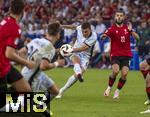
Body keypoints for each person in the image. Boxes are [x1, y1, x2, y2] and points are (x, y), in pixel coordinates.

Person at [19, 22, 64, 116]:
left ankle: (39, 107)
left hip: (32, 72)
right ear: (58, 35)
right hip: (32, 77)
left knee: (55, 91)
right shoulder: (50, 47)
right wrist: (57, 63)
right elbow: (43, 66)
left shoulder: (36, 40)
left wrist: (25, 66)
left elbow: (21, 53)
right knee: (24, 108)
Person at [0, 0, 34, 109]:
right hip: (1, 67)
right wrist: (26, 62)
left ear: (10, 9)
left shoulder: (4, 21)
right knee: (3, 104)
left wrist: (19, 56)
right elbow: (9, 54)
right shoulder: (15, 27)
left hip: (5, 64)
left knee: (25, 89)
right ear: (22, 12)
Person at [101, 10, 140, 99]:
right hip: (115, 54)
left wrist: (131, 31)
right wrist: (103, 36)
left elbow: (138, 38)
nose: (119, 17)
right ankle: (109, 88)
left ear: (123, 17)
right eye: (117, 15)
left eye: (121, 15)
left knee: (124, 74)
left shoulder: (127, 28)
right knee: (115, 71)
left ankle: (117, 91)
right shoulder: (112, 29)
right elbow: (104, 35)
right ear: (115, 17)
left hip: (126, 54)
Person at [56, 22, 97, 98]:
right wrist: (62, 26)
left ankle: (62, 89)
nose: (84, 33)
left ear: (90, 30)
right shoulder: (79, 28)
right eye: (83, 32)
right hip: (75, 52)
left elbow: (83, 48)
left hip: (85, 56)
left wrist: (70, 50)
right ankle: (78, 74)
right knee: (76, 60)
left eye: (86, 32)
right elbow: (73, 26)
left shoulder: (94, 37)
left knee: (78, 74)